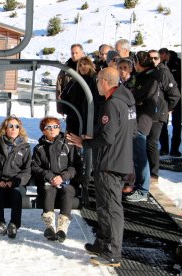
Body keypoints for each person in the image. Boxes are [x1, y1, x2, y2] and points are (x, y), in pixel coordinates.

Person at [67, 67, 137, 267]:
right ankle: (103, 243)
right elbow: (127, 132)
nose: (96, 85)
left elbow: (108, 137)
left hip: (110, 163)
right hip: (121, 160)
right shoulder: (127, 100)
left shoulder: (112, 104)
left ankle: (112, 252)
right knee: (105, 206)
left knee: (111, 209)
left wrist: (84, 143)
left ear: (105, 82)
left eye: (98, 81)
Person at [31, 117, 82, 243]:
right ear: (44, 131)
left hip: (66, 181)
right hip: (49, 182)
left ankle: (62, 227)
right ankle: (49, 225)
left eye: (55, 127)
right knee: (48, 190)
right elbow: (35, 167)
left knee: (68, 191)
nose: (53, 130)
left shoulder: (68, 144)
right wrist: (49, 176)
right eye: (49, 127)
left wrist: (63, 177)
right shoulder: (39, 148)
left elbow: (75, 165)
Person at [0, 115, 31, 239]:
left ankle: (14, 224)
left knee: (16, 194)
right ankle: (0, 223)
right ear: (5, 128)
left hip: (16, 182)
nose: (14, 128)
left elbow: (27, 171)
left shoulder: (25, 147)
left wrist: (16, 181)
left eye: (17, 126)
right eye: (10, 126)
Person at [125, 51, 160, 202]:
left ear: (139, 63)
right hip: (136, 118)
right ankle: (139, 186)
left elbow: (136, 96)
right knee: (136, 155)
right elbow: (131, 92)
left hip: (141, 120)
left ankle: (143, 189)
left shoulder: (151, 78)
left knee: (140, 156)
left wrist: (134, 98)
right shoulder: (141, 76)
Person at [146, 50, 180, 183]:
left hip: (158, 113)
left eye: (156, 58)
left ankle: (154, 174)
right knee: (146, 143)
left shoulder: (163, 72)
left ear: (160, 59)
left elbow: (175, 94)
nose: (153, 60)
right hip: (147, 113)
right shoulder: (148, 71)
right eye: (150, 58)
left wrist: (167, 108)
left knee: (152, 143)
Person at [60, 56, 104, 135]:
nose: (82, 67)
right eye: (80, 65)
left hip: (90, 119)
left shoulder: (96, 80)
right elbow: (63, 96)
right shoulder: (74, 81)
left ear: (90, 65)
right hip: (74, 118)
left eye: (85, 64)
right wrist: (69, 111)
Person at [158, 47, 182, 157]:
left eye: (161, 56)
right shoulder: (160, 65)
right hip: (164, 98)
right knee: (163, 123)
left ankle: (175, 149)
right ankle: (164, 148)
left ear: (166, 54)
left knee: (176, 124)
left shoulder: (178, 63)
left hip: (177, 97)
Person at [56, 44, 85, 114]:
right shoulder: (65, 68)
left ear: (82, 53)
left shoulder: (88, 67)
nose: (74, 55)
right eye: (72, 53)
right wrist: (60, 107)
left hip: (83, 107)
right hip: (69, 106)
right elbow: (59, 87)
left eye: (76, 53)